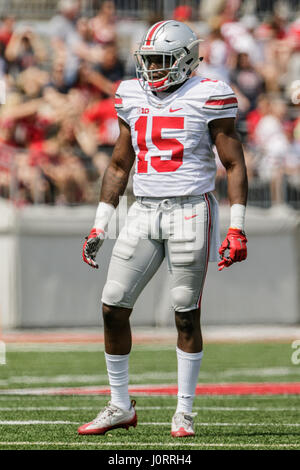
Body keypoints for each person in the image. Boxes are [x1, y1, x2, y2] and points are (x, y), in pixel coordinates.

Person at [79, 20, 248, 438]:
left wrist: (237, 227)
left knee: (185, 313)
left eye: (161, 60)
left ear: (187, 60)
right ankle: (120, 405)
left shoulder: (209, 94)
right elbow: (120, 164)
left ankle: (184, 412)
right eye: (149, 60)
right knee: (112, 305)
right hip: (142, 211)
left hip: (190, 209)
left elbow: (233, 164)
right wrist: (100, 224)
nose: (153, 68)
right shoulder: (131, 94)